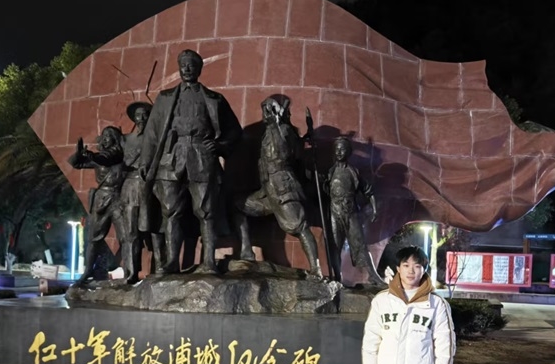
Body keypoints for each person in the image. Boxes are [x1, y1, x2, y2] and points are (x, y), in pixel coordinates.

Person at [139, 49, 242, 274]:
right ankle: (172, 261)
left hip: (202, 156)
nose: (186, 68)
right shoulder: (165, 98)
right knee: (170, 211)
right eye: (183, 64)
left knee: (206, 211)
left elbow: (235, 131)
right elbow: (152, 133)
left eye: (191, 65)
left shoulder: (214, 98)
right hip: (171, 157)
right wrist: (146, 162)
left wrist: (220, 145)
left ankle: (208, 261)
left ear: (199, 69)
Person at [234, 95, 322, 280]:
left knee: (299, 226)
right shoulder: (269, 132)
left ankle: (316, 269)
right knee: (238, 204)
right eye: (264, 110)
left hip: (283, 189)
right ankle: (246, 252)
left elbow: (292, 149)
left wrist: (290, 130)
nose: (266, 114)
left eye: (269, 109)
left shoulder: (284, 130)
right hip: (267, 191)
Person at [68, 126, 126, 286]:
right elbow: (75, 164)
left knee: (126, 237)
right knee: (94, 238)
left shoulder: (120, 154)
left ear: (115, 139)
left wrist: (92, 155)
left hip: (119, 199)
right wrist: (79, 153)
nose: (105, 139)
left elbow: (106, 158)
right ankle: (88, 271)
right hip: (101, 200)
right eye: (104, 136)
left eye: (109, 136)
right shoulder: (98, 158)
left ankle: (129, 271)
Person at [121, 101, 165, 283]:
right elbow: (112, 157)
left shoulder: (158, 137)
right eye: (138, 115)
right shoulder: (125, 139)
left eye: (146, 114)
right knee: (131, 232)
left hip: (152, 185)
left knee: (156, 228)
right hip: (130, 187)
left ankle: (161, 266)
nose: (141, 118)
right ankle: (132, 271)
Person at [324, 137, 377, 283]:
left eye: (342, 149)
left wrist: (374, 209)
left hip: (351, 212)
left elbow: (369, 191)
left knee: (359, 243)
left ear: (348, 152)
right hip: (334, 212)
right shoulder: (330, 172)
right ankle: (337, 276)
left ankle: (372, 275)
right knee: (335, 246)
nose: (339, 152)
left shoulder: (354, 172)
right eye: (337, 149)